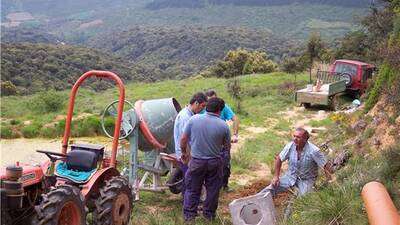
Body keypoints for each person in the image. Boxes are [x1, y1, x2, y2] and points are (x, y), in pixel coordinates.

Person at [180, 97, 231, 222]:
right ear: (220, 110)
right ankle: (209, 216)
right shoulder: (223, 126)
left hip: (196, 161)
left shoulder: (193, 120)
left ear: (207, 107)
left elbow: (183, 139)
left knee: (192, 189)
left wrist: (184, 152)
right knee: (213, 190)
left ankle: (189, 217)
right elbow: (227, 147)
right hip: (214, 162)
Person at [259, 127, 332, 197]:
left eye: (298, 137)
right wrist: (276, 176)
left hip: (306, 180)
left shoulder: (314, 151)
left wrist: (329, 181)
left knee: (303, 198)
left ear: (305, 139)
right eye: (294, 136)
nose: (295, 139)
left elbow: (325, 165)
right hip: (290, 177)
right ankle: (252, 203)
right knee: (270, 189)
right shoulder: (290, 146)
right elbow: (279, 159)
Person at [173, 92, 207, 196]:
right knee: (190, 181)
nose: (203, 109)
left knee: (187, 179)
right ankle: (188, 203)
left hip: (187, 152)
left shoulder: (190, 115)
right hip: (186, 154)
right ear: (196, 103)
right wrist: (187, 155)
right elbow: (185, 139)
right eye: (202, 106)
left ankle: (186, 201)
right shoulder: (185, 117)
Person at [205, 89, 239, 191]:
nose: (213, 103)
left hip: (222, 140)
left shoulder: (223, 107)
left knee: (225, 163)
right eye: (210, 101)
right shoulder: (203, 108)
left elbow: (235, 119)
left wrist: (235, 134)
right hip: (208, 142)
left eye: (214, 99)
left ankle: (225, 185)